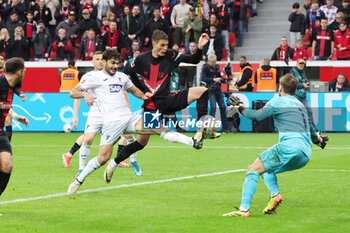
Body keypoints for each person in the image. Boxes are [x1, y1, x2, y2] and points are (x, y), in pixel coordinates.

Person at [67, 49, 210, 193]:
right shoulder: (93, 77)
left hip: (128, 117)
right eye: (112, 63)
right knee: (102, 158)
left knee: (156, 127)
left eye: (117, 63)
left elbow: (134, 90)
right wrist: (85, 94)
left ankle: (192, 142)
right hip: (112, 122)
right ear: (104, 62)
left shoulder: (122, 77)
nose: (115, 66)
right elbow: (73, 92)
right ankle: (79, 179)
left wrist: (144, 95)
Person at [222, 74, 327, 217]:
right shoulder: (300, 105)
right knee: (266, 168)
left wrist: (240, 107)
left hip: (289, 146)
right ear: (295, 90)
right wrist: (319, 141)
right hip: (305, 154)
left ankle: (244, 210)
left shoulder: (278, 101)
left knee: (253, 170)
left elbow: (257, 116)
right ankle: (275, 195)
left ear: (280, 88)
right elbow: (312, 131)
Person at [62, 51, 136, 170]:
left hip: (113, 112)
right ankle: (80, 167)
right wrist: (76, 115)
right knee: (89, 138)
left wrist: (128, 108)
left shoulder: (115, 76)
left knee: (127, 135)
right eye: (97, 59)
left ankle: (123, 159)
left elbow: (123, 92)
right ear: (92, 61)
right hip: (96, 113)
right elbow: (76, 94)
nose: (100, 61)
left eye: (102, 59)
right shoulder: (89, 77)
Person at [0, 58, 29, 206]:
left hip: (0, 132)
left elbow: (6, 106)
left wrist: (16, 116)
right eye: (24, 71)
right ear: (19, 72)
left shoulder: (11, 87)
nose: (25, 73)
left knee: (7, 165)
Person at [201, 54, 229, 132]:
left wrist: (225, 81)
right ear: (209, 61)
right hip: (210, 90)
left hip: (218, 89)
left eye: (215, 62)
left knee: (223, 107)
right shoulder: (205, 68)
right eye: (213, 62)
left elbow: (219, 77)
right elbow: (203, 78)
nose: (214, 63)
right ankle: (210, 128)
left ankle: (225, 128)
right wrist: (213, 79)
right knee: (213, 108)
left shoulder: (217, 67)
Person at [290, 58, 317, 129]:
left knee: (309, 112)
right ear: (296, 64)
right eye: (300, 64)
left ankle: (313, 129)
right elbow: (292, 84)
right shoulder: (293, 72)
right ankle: (294, 128)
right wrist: (302, 86)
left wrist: (306, 85)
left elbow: (304, 81)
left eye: (303, 64)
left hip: (303, 96)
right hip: (296, 95)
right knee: (296, 112)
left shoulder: (303, 72)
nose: (301, 65)